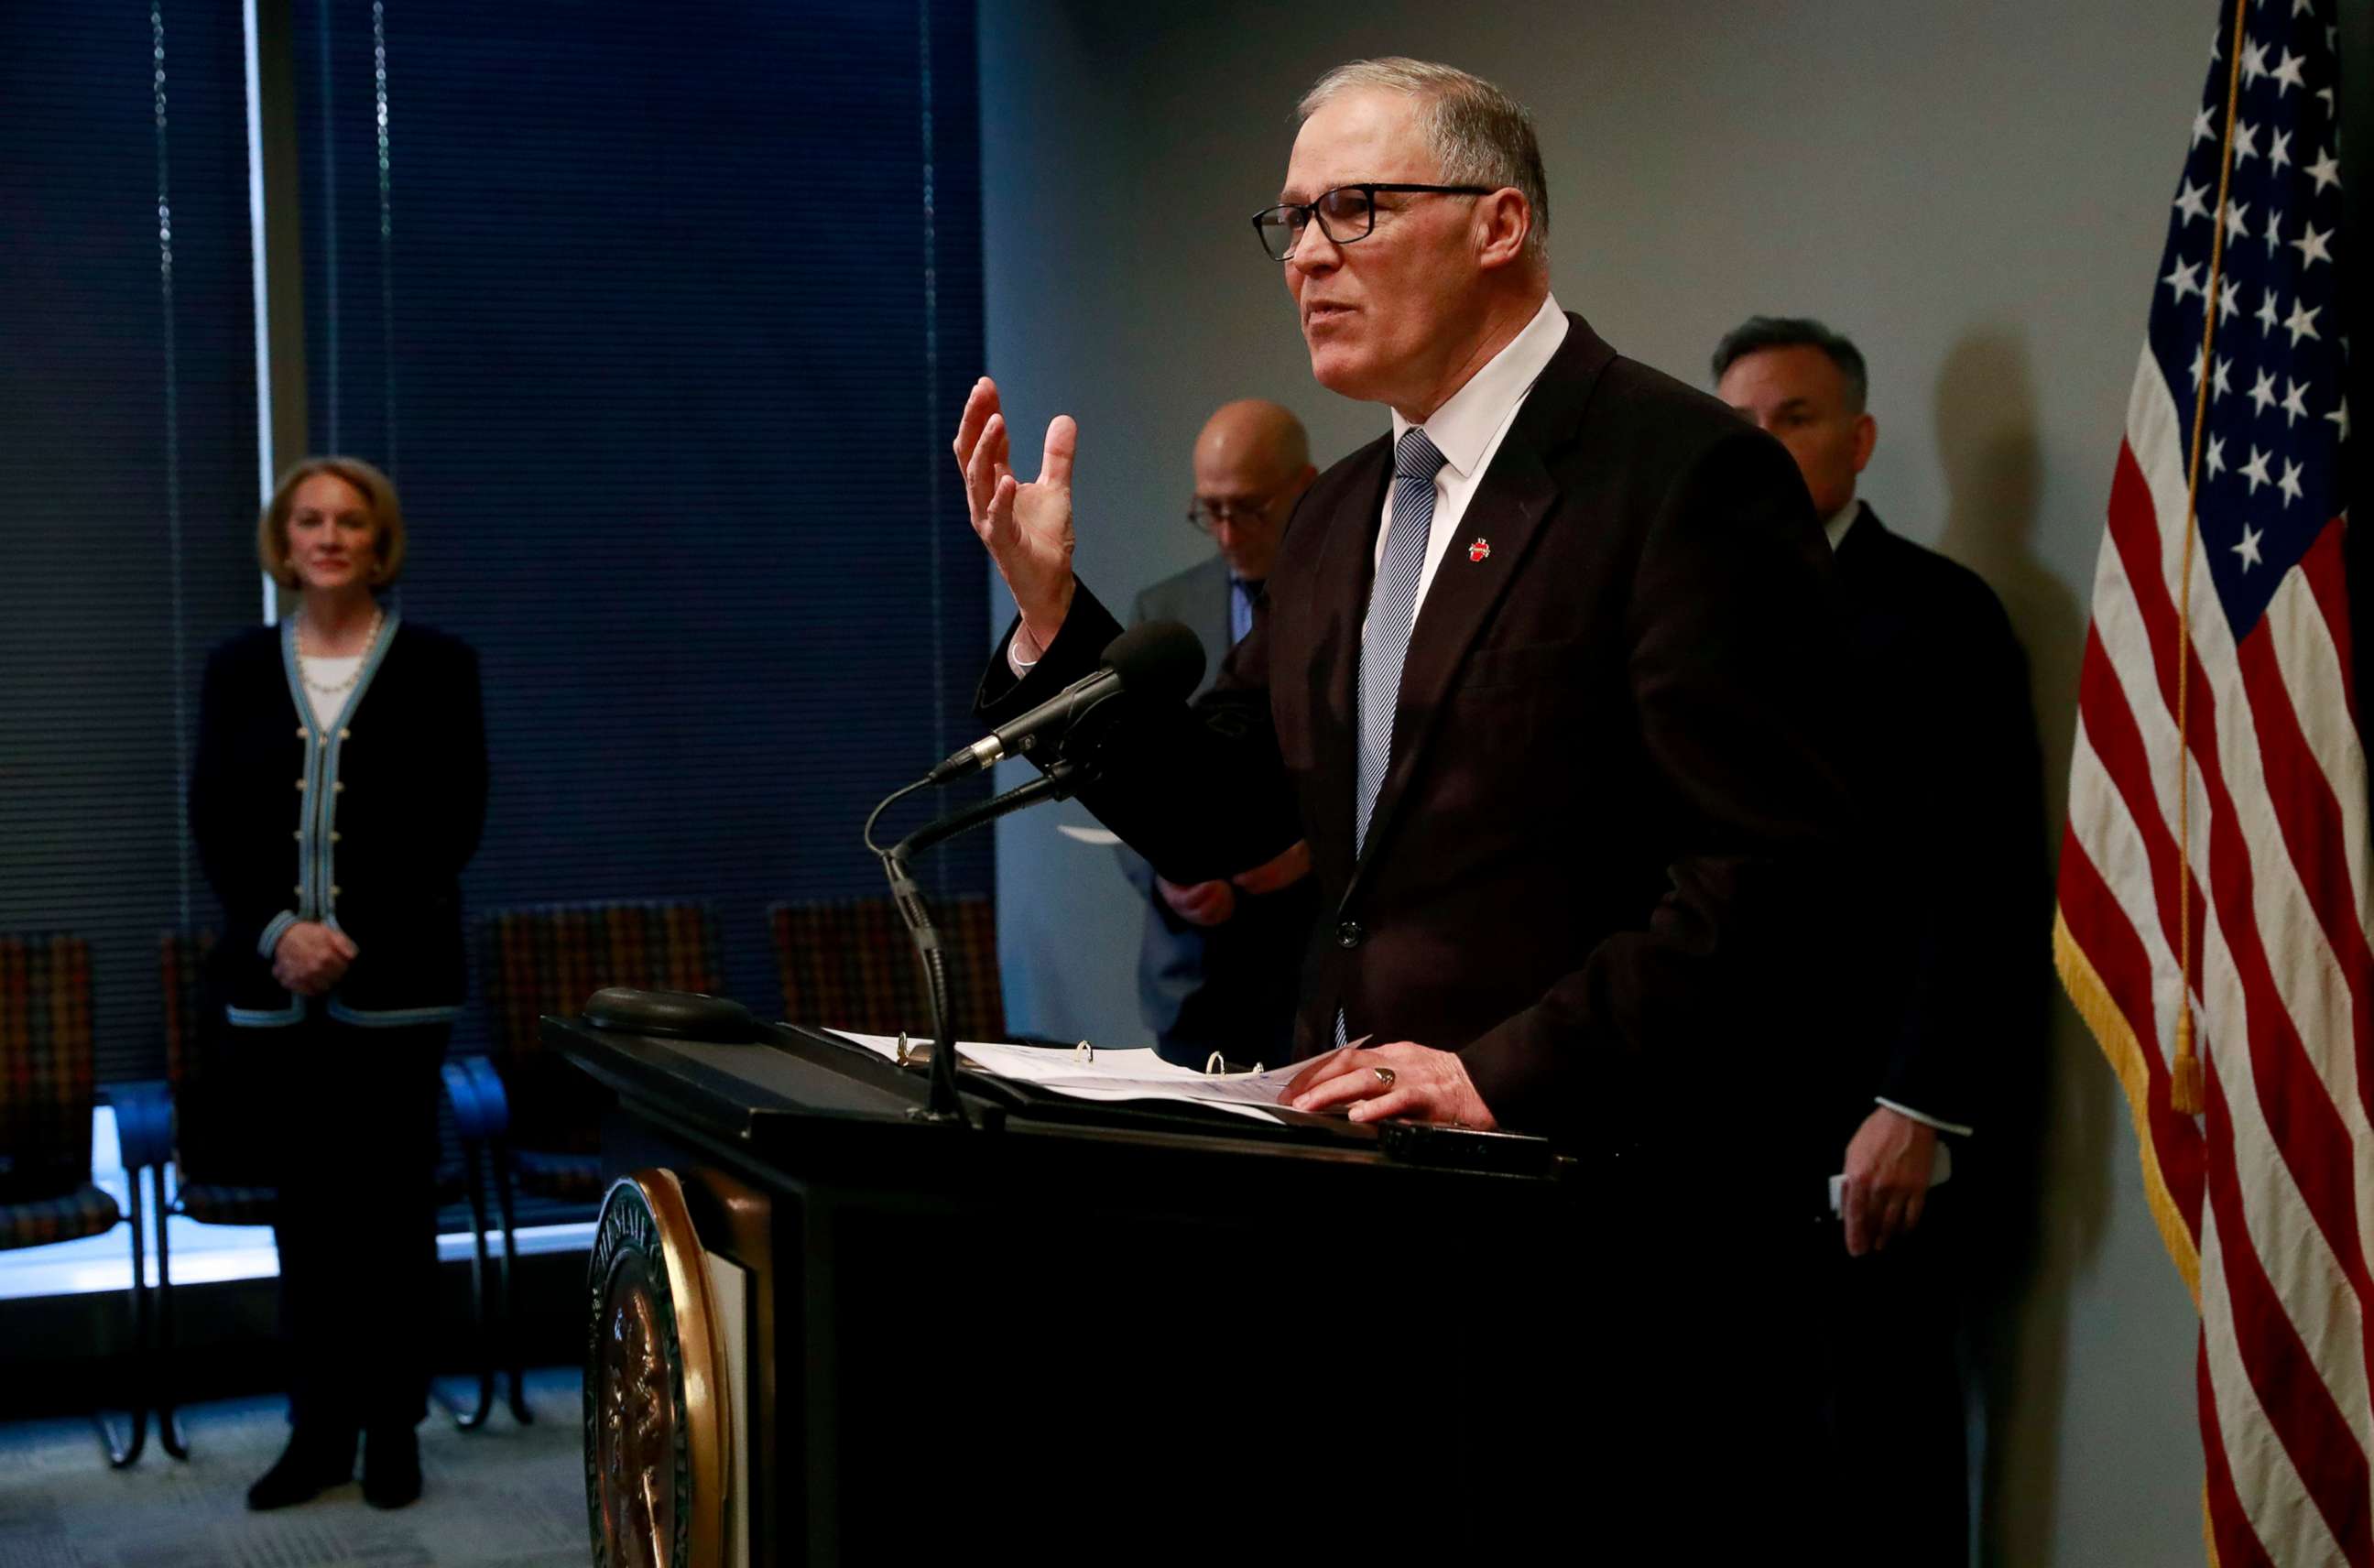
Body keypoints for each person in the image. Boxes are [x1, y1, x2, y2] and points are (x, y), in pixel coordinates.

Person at [952, 58, 1855, 1544]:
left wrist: (1497, 1067)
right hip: (1372, 1228)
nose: (1305, 252)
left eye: (1354, 209)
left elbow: (1770, 874)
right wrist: (1055, 624)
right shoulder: (1342, 518)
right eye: (1293, 219)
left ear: (1499, 223)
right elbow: (1232, 815)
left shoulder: (1678, 473)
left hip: (1611, 1250)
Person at [1715, 317, 2046, 1564]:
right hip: (1720, 1119)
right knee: (1743, 1471)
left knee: (1883, 1463)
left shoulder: (1942, 617)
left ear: (1856, 439)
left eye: (1791, 419)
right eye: (1737, 426)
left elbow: (1985, 879)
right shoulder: (1687, 614)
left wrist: (1918, 1102)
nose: (1762, 447)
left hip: (1873, 1123)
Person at [189, 456, 486, 1511]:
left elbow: (450, 825)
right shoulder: (235, 668)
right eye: (308, 519)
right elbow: (216, 819)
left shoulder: (440, 665)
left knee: (393, 1218)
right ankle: (316, 1430)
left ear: (377, 539)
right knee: (306, 1222)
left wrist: (344, 930)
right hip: (273, 992)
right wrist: (280, 929)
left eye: (348, 521)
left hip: (395, 989)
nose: (327, 536)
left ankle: (393, 1429)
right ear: (284, 538)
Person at [1124, 398, 1319, 1064]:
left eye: (1249, 508)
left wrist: (1316, 850)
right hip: (1190, 978)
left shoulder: (1365, 604)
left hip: (1309, 968)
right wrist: (1165, 873)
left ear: (1307, 488)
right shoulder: (1162, 612)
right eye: (1211, 510)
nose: (1228, 533)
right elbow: (1125, 777)